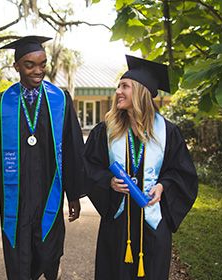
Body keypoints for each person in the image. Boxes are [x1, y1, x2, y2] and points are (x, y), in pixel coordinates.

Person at [0, 36, 85, 280]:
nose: (38, 71)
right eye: (30, 65)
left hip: (50, 191)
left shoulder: (60, 100)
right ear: (16, 67)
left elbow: (73, 149)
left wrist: (74, 194)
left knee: (49, 252)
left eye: (43, 64)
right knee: (18, 254)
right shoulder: (2, 102)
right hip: (17, 193)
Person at [83, 55, 198, 279]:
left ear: (141, 93)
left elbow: (182, 172)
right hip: (118, 222)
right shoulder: (106, 130)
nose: (118, 92)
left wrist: (164, 186)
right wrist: (108, 181)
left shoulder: (168, 132)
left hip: (153, 223)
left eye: (124, 86)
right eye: (118, 86)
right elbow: (88, 165)